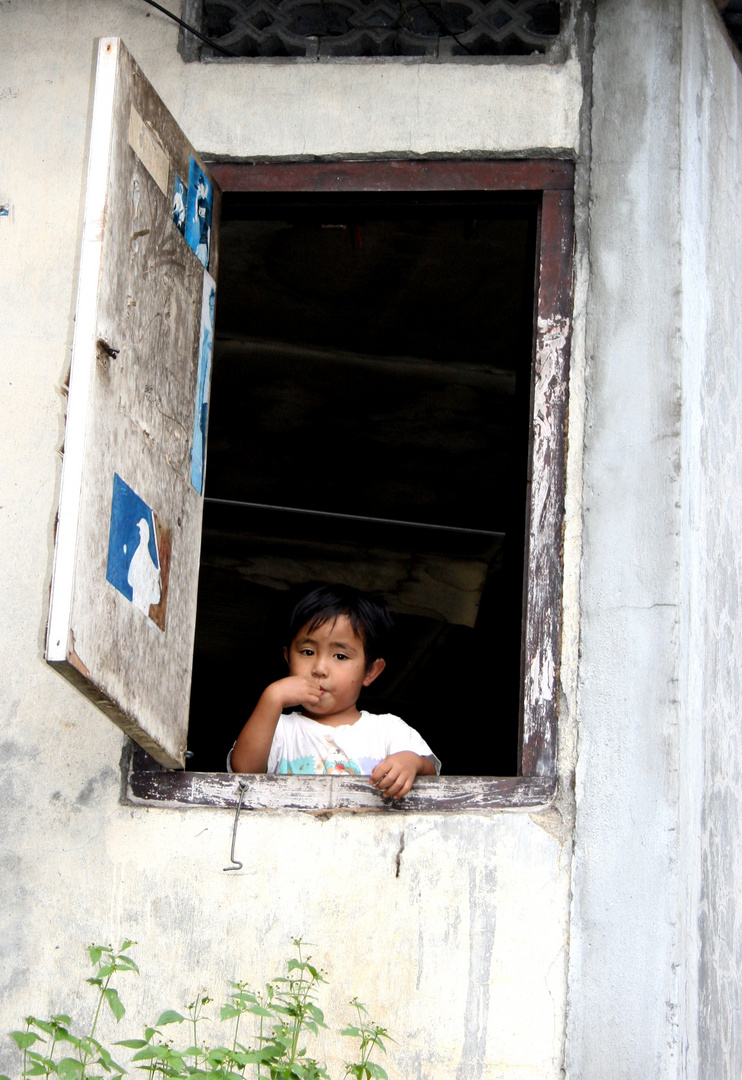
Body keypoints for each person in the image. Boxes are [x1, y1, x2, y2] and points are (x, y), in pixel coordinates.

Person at [229, 584, 440, 799]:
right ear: (288, 658)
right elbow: (244, 770)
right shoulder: (278, 728)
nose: (319, 669)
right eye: (307, 652)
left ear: (370, 671)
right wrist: (272, 698)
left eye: (340, 656)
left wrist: (412, 761)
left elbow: (432, 777)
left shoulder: (387, 730)